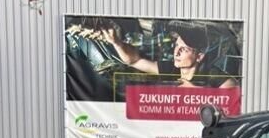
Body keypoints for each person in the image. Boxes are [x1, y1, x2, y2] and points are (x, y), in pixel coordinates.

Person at [99, 24, 238, 89]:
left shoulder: (212, 74)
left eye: (183, 49)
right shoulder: (170, 68)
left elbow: (233, 93)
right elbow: (135, 61)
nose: (176, 52)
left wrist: (196, 92)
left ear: (199, 56)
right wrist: (117, 43)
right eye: (177, 46)